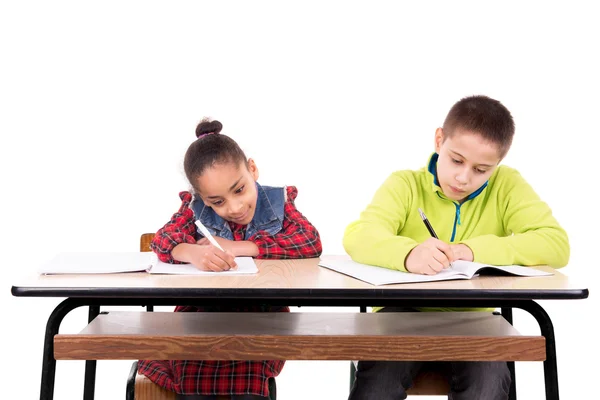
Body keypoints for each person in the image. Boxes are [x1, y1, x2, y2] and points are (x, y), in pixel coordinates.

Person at [343, 95, 569, 400]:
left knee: (487, 381)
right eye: (457, 160)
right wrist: (408, 255)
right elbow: (358, 236)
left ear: (497, 165)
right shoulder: (405, 185)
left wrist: (471, 250)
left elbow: (556, 244)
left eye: (481, 169)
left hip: (475, 318)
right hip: (400, 314)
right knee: (380, 378)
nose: (463, 178)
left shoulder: (507, 185)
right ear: (439, 140)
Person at [138, 118, 322, 400]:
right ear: (202, 197)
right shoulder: (195, 208)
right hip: (201, 317)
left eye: (239, 190)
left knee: (247, 364)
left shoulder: (277, 202)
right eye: (217, 202)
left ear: (252, 169)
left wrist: (240, 246)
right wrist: (190, 251)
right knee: (193, 364)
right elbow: (163, 238)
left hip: (262, 319)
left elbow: (309, 241)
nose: (234, 208)